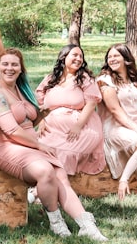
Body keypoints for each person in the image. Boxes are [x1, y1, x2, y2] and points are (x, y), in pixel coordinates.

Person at [0, 50, 108, 240]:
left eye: (14, 65)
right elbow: (11, 130)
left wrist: (47, 114)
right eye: (5, 64)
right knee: (45, 171)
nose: (10, 68)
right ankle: (56, 221)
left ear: (21, 69)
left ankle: (86, 225)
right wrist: (40, 145)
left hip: (29, 144)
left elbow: (30, 120)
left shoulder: (20, 89)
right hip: (6, 145)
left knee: (61, 175)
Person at [97, 43, 137, 190]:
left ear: (126, 58)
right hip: (117, 127)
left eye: (116, 56)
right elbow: (115, 111)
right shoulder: (105, 81)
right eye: (109, 57)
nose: (111, 59)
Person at [35, 44, 106, 176]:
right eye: (75, 55)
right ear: (64, 57)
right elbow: (38, 101)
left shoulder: (84, 79)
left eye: (81, 56)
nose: (79, 59)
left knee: (67, 153)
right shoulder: (51, 79)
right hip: (51, 128)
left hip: (81, 127)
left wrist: (78, 126)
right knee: (42, 151)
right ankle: (44, 185)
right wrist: (41, 121)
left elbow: (91, 104)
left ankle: (44, 190)